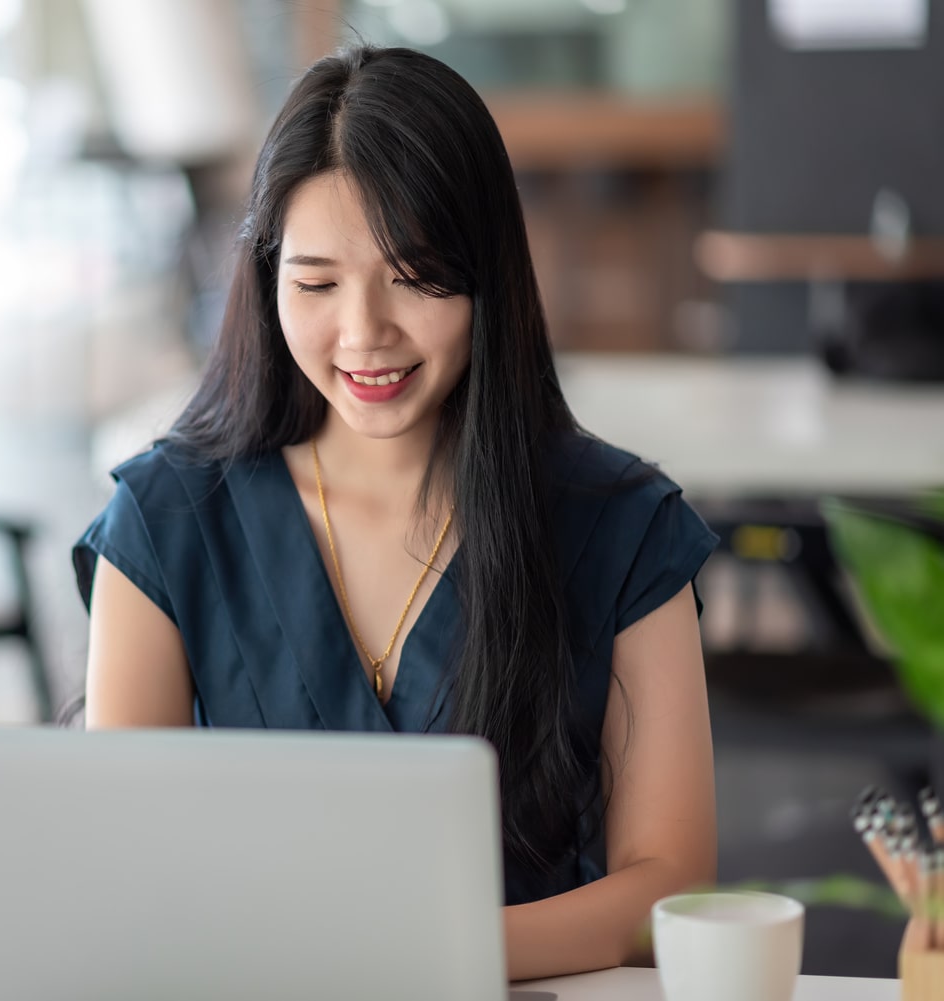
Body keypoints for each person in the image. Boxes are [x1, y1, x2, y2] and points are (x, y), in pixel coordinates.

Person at [71, 45, 718, 982]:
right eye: (318, 283)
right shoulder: (168, 522)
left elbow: (671, 887)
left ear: (488, 272)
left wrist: (434, 954)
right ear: (264, 277)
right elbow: (123, 867)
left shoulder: (622, 529)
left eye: (414, 276)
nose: (364, 333)